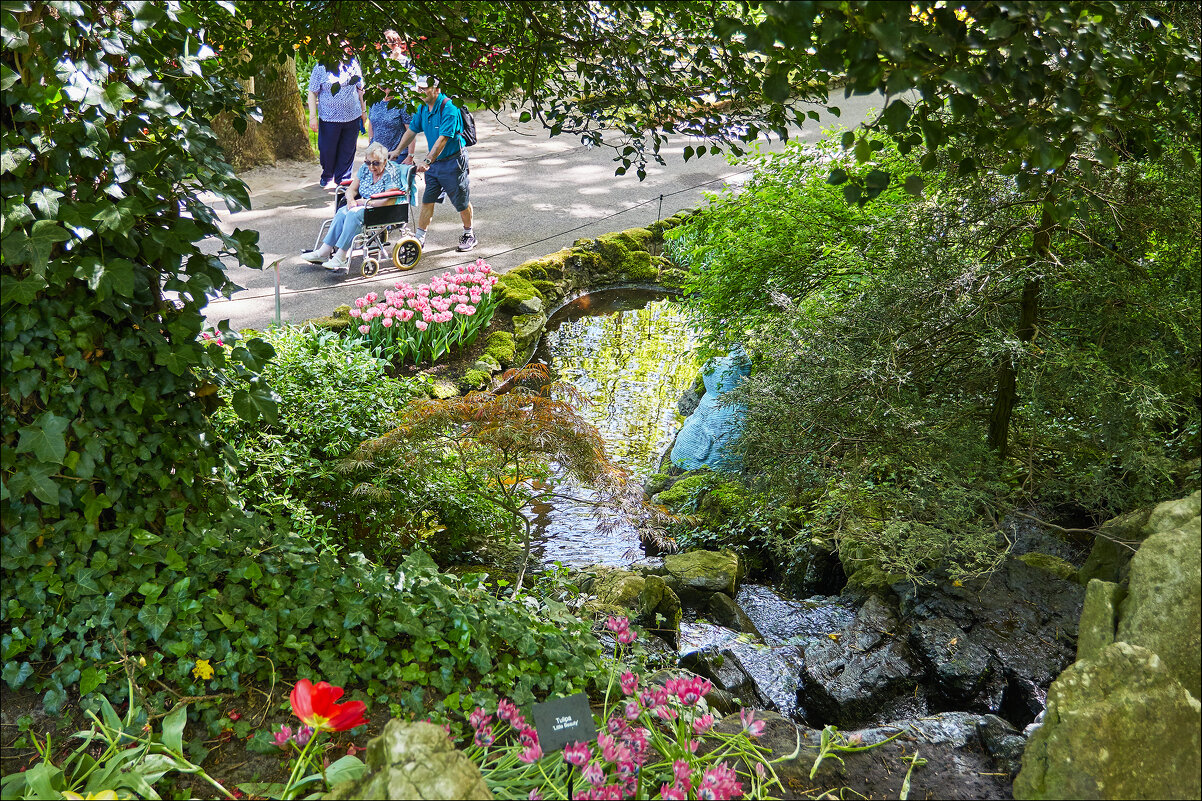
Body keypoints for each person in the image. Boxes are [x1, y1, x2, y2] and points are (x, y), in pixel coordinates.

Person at [388, 75, 476, 252]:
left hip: (453, 162)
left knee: (461, 201)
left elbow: (442, 140)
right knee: (428, 199)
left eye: (424, 88)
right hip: (435, 165)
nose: (420, 92)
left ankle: (469, 234)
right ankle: (420, 238)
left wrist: (427, 161)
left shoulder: (450, 108)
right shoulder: (422, 107)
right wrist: (397, 150)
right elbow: (412, 130)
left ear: (436, 89)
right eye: (418, 88)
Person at [300, 143, 402, 272]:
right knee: (343, 212)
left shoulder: (391, 173)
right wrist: (351, 200)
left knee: (353, 214)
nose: (371, 167)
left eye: (376, 163)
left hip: (380, 208)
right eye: (368, 162)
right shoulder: (364, 169)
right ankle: (324, 251)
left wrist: (363, 203)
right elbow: (351, 189)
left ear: (385, 161)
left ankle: (341, 256)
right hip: (362, 205)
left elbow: (388, 200)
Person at [307, 42, 367, 189]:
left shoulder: (353, 64)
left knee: (348, 149)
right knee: (327, 149)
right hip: (329, 118)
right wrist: (312, 117)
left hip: (352, 115)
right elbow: (312, 92)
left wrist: (364, 112)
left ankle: (343, 178)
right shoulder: (321, 66)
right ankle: (327, 174)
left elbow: (361, 89)